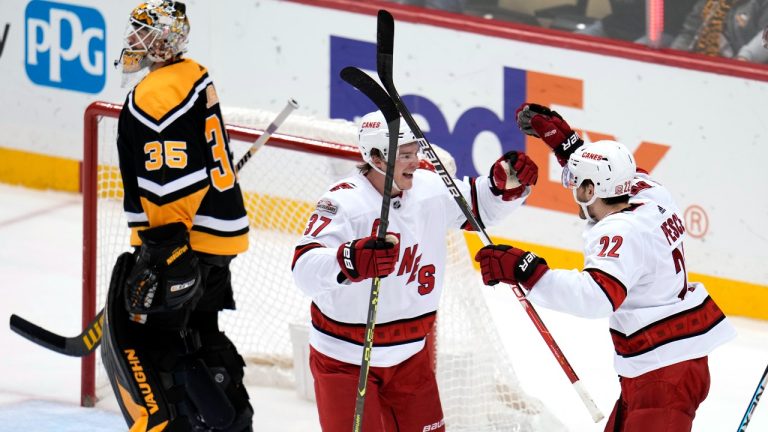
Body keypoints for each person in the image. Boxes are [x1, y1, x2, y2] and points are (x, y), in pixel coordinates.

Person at [475, 103, 737, 431]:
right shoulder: (652, 195)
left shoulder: (619, 232)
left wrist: (527, 270)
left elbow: (597, 296)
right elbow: (614, 174)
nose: (573, 189)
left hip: (664, 376)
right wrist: (566, 145)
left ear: (590, 190)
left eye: (578, 184)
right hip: (669, 363)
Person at [291, 111, 538, 431]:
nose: (415, 162)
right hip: (348, 360)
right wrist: (349, 261)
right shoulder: (344, 203)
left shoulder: (429, 188)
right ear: (376, 157)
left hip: (411, 356)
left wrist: (505, 185)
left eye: (416, 153)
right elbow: (303, 268)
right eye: (405, 155)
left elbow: (481, 208)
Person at [101, 1, 252, 431]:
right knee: (202, 334)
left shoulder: (155, 93)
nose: (132, 40)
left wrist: (166, 251)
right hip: (216, 235)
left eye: (143, 33)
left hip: (186, 242)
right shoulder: (191, 73)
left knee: (159, 347)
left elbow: (171, 181)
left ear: (165, 41)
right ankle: (235, 423)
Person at [670, 0, 768, 63]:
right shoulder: (710, 3)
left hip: (738, 74)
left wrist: (745, 57)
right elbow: (689, 33)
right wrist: (671, 58)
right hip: (696, 65)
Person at [577, 0, 698, 46]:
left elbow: (679, 16)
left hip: (662, 32)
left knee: (634, 58)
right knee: (574, 43)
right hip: (615, 24)